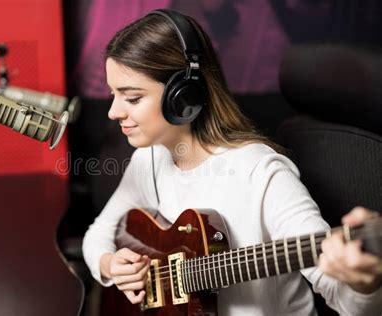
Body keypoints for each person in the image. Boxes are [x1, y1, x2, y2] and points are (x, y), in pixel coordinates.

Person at [82, 9, 382, 315]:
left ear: (183, 97)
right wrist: (111, 265)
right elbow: (97, 235)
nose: (113, 111)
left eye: (131, 98)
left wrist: (365, 284)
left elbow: (343, 299)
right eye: (113, 95)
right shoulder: (149, 160)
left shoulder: (261, 174)